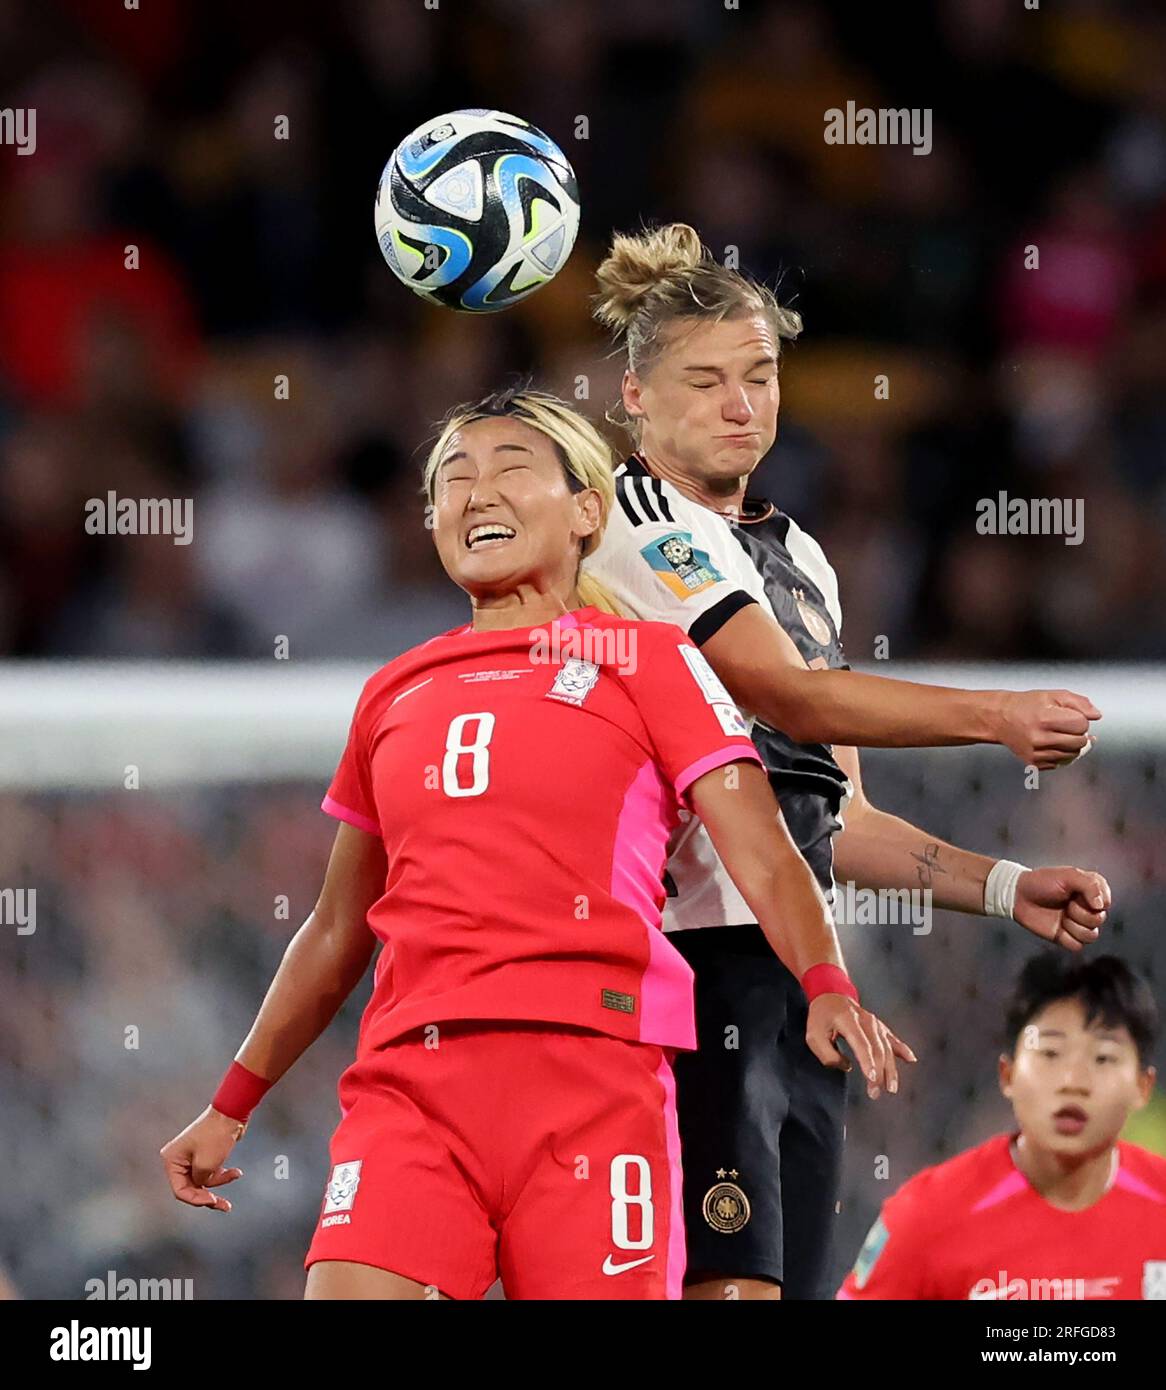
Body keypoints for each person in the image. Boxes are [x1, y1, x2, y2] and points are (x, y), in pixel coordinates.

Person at [160, 387, 910, 1301]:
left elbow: (759, 845)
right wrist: (231, 1103)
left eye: (512, 468)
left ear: (587, 509)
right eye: (453, 479)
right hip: (412, 1086)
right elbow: (333, 930)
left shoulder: (651, 662)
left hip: (595, 1082)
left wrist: (826, 983)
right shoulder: (392, 692)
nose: (477, 493)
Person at [585, 222, 1111, 1301]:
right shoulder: (633, 526)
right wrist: (995, 714)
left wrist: (1004, 886)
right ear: (633, 396)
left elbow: (840, 819)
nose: (743, 406)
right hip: (693, 961)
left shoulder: (802, 556)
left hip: (799, 968)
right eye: (705, 382)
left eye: (761, 376)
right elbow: (789, 694)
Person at [838, 953, 1165, 1300]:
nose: (1073, 1081)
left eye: (1103, 1058)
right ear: (1007, 1075)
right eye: (1051, 1054)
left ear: (1142, 1087)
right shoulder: (926, 1216)